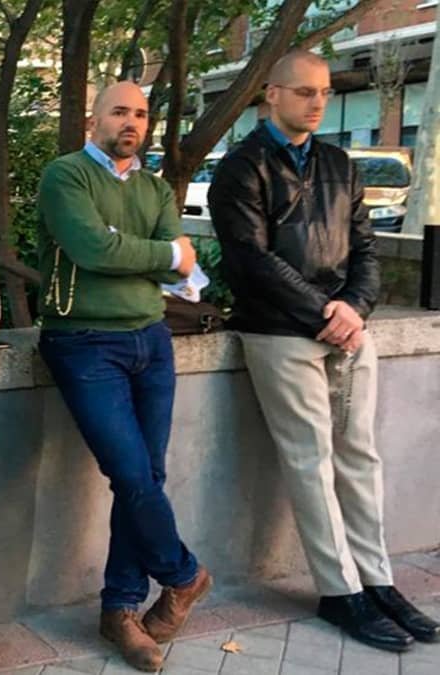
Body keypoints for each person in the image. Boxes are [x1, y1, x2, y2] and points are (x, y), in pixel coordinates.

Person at [208, 49, 440, 653]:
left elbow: (366, 248)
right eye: (304, 91)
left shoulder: (340, 164)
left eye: (323, 92)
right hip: (279, 334)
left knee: (361, 457)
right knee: (311, 462)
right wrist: (324, 312)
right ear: (272, 95)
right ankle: (341, 592)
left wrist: (353, 308)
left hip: (347, 331)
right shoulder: (241, 168)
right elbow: (251, 260)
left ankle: (377, 582)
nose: (317, 102)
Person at [34, 81, 211, 672]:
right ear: (95, 119)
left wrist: (143, 255)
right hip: (83, 343)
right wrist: (166, 255)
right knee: (132, 473)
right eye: (119, 111)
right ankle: (184, 574)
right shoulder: (66, 177)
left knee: (147, 478)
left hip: (152, 340)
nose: (131, 122)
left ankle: (120, 609)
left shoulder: (155, 188)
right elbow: (94, 250)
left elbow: (164, 266)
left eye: (140, 113)